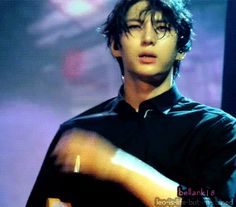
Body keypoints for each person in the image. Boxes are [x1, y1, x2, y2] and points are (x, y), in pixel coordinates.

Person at [26, 0, 236, 206]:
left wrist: (115, 164)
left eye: (161, 28)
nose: (148, 38)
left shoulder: (217, 129)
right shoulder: (78, 131)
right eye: (135, 26)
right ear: (115, 45)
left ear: (180, 48)